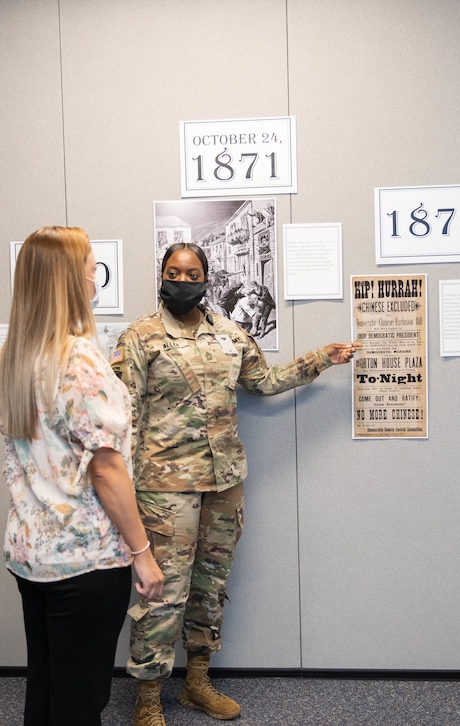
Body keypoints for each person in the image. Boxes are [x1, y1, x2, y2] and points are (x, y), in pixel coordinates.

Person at [111, 242, 361, 726]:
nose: (183, 280)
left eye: (192, 272)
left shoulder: (230, 333)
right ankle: (148, 699)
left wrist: (321, 359)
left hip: (224, 483)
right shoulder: (139, 337)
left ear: (207, 277)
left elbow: (264, 382)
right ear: (161, 276)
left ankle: (197, 683)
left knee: (210, 585)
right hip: (164, 488)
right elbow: (126, 415)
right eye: (174, 272)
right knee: (162, 593)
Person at [0, 225, 164, 726]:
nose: (95, 278)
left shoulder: (16, 355)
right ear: (70, 280)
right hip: (86, 561)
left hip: (32, 554)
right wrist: (143, 555)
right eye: (91, 269)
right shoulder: (78, 358)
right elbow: (107, 469)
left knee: (46, 687)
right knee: (80, 699)